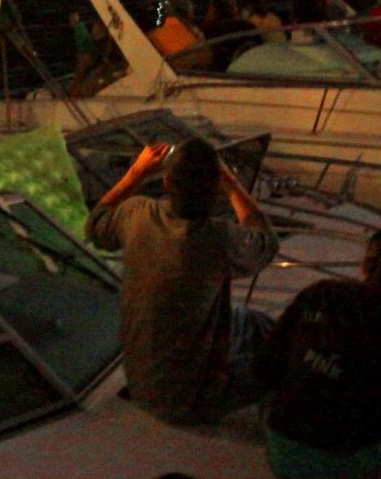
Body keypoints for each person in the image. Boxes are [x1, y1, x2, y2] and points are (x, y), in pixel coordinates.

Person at [85, 137, 279, 424]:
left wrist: (136, 173)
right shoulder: (220, 238)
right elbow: (266, 241)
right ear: (215, 189)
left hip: (141, 382)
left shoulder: (137, 214)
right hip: (190, 399)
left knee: (251, 321)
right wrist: (232, 184)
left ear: (167, 183)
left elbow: (95, 225)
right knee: (287, 358)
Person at [258, 226, 381, 479]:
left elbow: (266, 367)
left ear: (364, 265)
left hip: (280, 448)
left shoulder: (319, 294)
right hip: (338, 473)